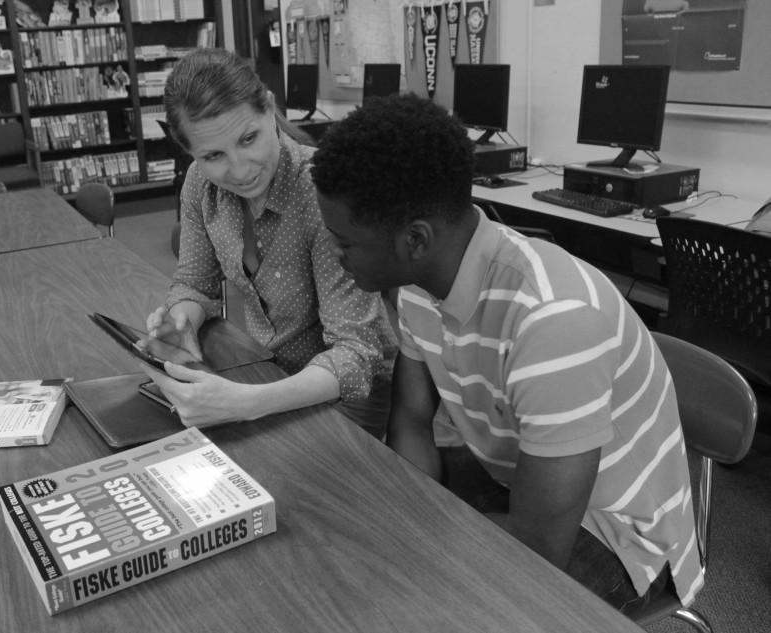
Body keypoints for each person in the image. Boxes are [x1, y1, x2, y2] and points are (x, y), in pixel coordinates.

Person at [310, 93, 703, 614]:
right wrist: (408, 519)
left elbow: (540, 547)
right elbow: (410, 419)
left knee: (425, 605)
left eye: (344, 242)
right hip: (520, 478)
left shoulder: (552, 319)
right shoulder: (416, 285)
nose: (334, 256)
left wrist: (417, 544)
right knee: (355, 527)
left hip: (618, 535)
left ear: (416, 239)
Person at [142, 48, 395, 437]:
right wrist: (183, 322)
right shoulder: (199, 183)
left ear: (270, 109)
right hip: (266, 376)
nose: (240, 169)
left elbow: (355, 354)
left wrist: (245, 404)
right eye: (213, 155)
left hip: (347, 400)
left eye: (249, 138)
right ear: (189, 152)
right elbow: (195, 283)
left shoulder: (321, 190)